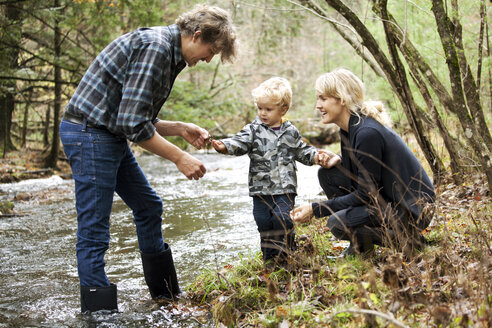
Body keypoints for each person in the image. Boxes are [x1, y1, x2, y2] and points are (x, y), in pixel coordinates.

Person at [59, 5, 237, 313]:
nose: (209, 59)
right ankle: (100, 316)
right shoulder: (155, 48)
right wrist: (180, 157)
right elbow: (132, 125)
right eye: (211, 50)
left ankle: (165, 297)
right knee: (95, 229)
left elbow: (134, 117)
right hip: (89, 134)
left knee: (148, 206)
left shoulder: (171, 53)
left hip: (107, 132)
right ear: (196, 36)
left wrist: (179, 128)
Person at [290, 68, 435, 257]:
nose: (318, 106)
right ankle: (361, 249)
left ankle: (409, 241)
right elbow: (366, 177)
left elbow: (366, 194)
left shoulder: (367, 133)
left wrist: (315, 209)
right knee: (328, 174)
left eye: (323, 99)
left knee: (336, 223)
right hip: (390, 201)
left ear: (341, 99)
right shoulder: (349, 129)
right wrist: (341, 161)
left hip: (412, 210)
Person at [212, 77, 329, 264]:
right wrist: (224, 146)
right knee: (263, 222)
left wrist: (316, 157)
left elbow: (301, 150)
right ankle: (269, 258)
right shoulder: (253, 130)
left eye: (268, 109)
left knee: (283, 219)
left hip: (285, 189)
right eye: (259, 108)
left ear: (283, 110)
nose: (262, 113)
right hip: (260, 189)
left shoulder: (290, 131)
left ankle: (288, 253)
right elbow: (239, 142)